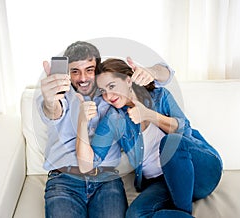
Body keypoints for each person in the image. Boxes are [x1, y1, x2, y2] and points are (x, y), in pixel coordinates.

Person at [37, 41, 174, 218]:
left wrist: (150, 72)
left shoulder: (112, 95)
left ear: (98, 70)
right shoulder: (59, 96)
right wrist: (50, 101)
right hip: (64, 180)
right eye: (75, 71)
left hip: (106, 180)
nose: (83, 78)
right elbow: (53, 111)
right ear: (67, 74)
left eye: (89, 69)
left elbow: (167, 74)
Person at [76, 58, 223, 218]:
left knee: (170, 142)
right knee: (135, 214)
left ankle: (183, 212)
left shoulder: (160, 96)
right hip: (163, 183)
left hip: (200, 171)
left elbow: (185, 131)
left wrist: (149, 115)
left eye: (112, 86)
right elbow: (88, 164)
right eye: (103, 91)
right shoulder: (113, 119)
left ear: (128, 80)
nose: (108, 95)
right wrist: (82, 122)